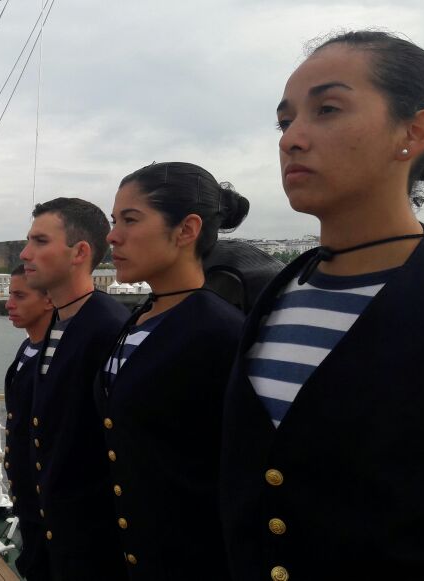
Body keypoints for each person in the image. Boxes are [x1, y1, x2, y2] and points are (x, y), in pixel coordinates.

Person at [221, 31, 424, 580]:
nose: (293, 139)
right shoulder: (277, 294)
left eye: (327, 109)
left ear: (414, 131)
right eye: (285, 122)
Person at [94, 162, 248, 577]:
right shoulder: (141, 318)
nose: (112, 235)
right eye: (114, 221)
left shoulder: (221, 333)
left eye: (130, 219)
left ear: (186, 230)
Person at [17, 197, 130, 578]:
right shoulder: (61, 322)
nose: (25, 252)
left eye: (40, 241)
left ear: (80, 252)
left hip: (94, 550)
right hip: (54, 540)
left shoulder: (108, 327)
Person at [2, 264, 53, 581]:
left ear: (49, 300)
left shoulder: (55, 355)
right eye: (9, 294)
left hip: (46, 500)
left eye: (20, 295)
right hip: (26, 499)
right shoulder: (27, 348)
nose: (9, 303)